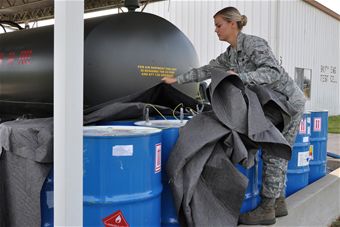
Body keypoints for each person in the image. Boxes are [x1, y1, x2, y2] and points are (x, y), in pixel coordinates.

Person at [162, 6, 306, 225]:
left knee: (273, 151)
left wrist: (240, 76)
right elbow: (208, 70)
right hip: (271, 104)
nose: (216, 30)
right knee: (277, 150)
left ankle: (268, 208)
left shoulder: (253, 44)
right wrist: (177, 80)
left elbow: (272, 71)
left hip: (287, 103)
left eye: (219, 25)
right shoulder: (230, 54)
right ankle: (279, 203)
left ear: (232, 23)